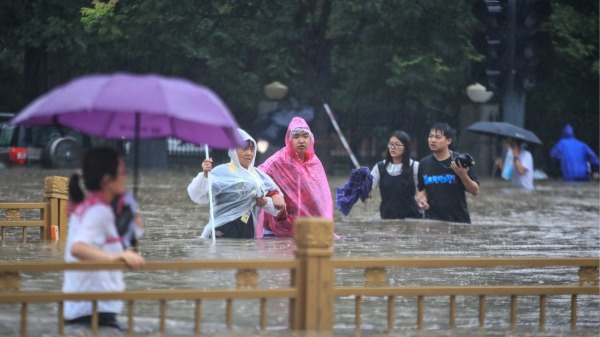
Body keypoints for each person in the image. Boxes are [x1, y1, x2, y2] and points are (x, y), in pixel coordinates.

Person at [63, 147, 145, 330]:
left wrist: (132, 211)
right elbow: (78, 248)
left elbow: (127, 236)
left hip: (87, 307)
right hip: (93, 312)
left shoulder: (89, 206)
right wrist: (116, 257)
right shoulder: (99, 212)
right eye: (122, 173)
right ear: (108, 180)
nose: (125, 177)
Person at [188, 129, 285, 239]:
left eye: (252, 149)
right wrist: (205, 175)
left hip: (247, 229)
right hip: (223, 229)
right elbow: (198, 194)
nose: (249, 153)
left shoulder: (257, 175)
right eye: (244, 149)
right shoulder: (221, 171)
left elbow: (277, 207)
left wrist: (266, 201)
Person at [257, 117, 333, 237]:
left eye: (305, 136)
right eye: (296, 137)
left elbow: (322, 197)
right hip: (276, 229)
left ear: (311, 139)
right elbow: (257, 177)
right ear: (289, 139)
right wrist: (273, 193)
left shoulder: (314, 163)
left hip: (305, 229)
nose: (301, 140)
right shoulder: (278, 161)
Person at [417, 123, 480, 223]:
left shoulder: (460, 161)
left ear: (448, 141)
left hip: (459, 222)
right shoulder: (424, 164)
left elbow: (475, 191)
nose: (433, 140)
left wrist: (463, 175)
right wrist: (422, 200)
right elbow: (422, 189)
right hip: (432, 222)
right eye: (430, 136)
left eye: (437, 137)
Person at [370, 130, 423, 219]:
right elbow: (369, 189)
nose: (393, 147)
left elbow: (423, 190)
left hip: (411, 219)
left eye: (397, 145)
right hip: (386, 218)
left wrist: (422, 199)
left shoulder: (415, 166)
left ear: (406, 147)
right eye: (391, 144)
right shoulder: (379, 167)